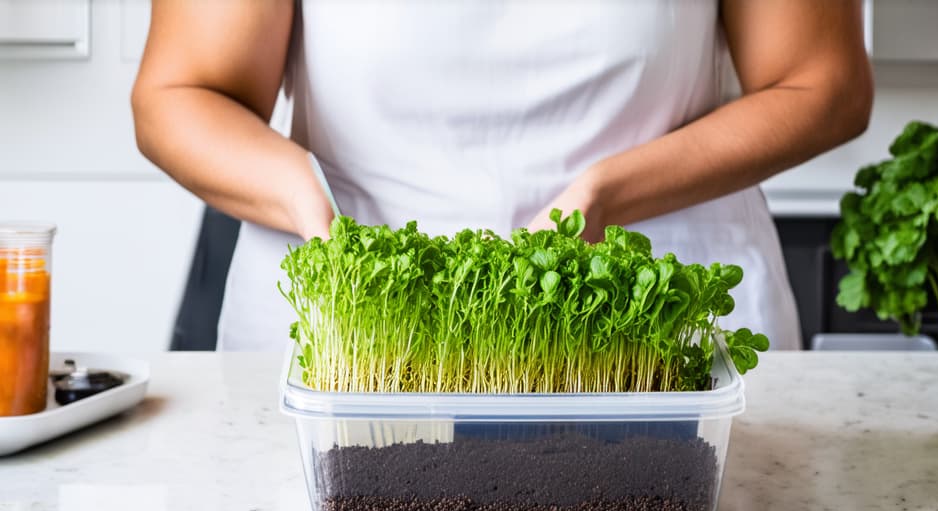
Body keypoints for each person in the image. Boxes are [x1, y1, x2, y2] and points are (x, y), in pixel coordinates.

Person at [132, 0, 873, 352]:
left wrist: (606, 195)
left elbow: (823, 84)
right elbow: (179, 94)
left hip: (661, 341)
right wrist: (307, 202)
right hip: (343, 341)